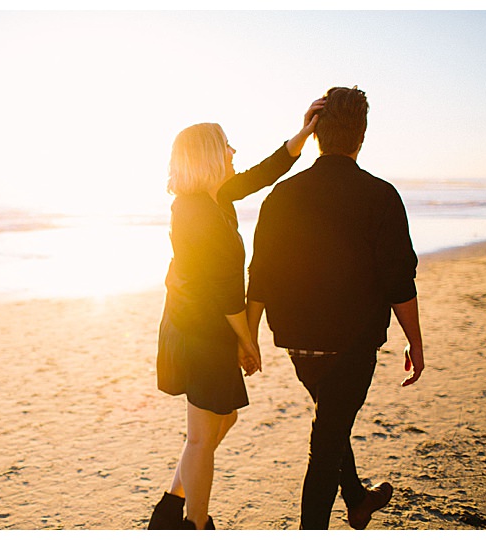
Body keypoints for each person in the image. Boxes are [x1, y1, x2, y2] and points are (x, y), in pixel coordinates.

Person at [245, 86, 425, 530]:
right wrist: (415, 344)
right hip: (353, 346)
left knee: (331, 420)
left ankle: (358, 498)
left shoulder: (281, 196)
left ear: (318, 133)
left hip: (299, 344)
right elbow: (398, 280)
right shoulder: (380, 195)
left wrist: (248, 338)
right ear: (361, 136)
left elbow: (261, 274)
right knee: (326, 442)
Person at [147, 99, 324, 530]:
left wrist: (300, 138)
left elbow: (260, 175)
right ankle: (195, 524)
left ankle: (171, 510)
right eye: (226, 146)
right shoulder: (196, 211)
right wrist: (247, 340)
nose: (233, 152)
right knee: (201, 438)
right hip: (199, 329)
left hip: (202, 325)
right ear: (208, 156)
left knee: (222, 418)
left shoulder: (215, 196)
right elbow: (224, 291)